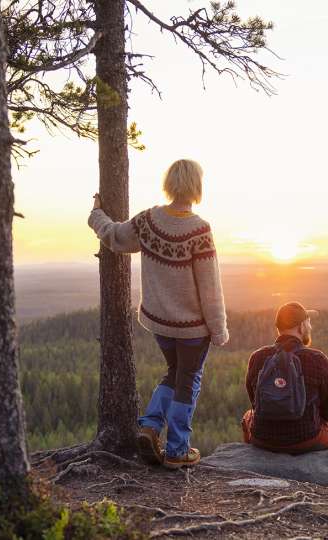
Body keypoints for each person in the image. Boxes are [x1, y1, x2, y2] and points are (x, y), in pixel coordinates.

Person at [88, 159, 228, 469]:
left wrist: (96, 214)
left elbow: (114, 236)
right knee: (188, 381)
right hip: (192, 328)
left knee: (174, 373)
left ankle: (150, 427)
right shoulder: (200, 230)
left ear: (170, 184)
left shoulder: (148, 221)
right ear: (196, 186)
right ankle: (177, 450)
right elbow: (210, 288)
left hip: (160, 324)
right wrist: (219, 329)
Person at [242, 302, 328, 454]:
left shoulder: (258, 357)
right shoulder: (317, 359)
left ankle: (254, 459)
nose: (310, 327)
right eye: (309, 322)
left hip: (262, 438)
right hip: (306, 439)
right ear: (301, 327)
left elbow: (255, 404)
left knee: (247, 417)